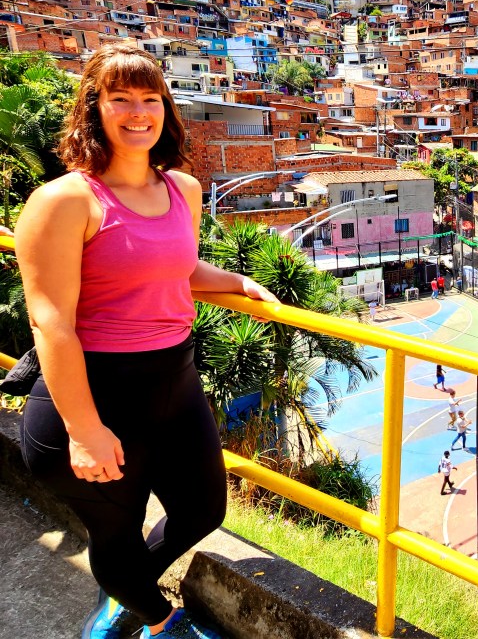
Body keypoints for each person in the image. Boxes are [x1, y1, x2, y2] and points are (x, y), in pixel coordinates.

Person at [15, 43, 280, 639]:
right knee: (117, 529)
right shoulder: (65, 201)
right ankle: (161, 619)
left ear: (165, 108)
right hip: (93, 391)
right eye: (120, 98)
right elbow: (50, 322)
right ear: (93, 109)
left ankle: (127, 590)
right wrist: (84, 430)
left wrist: (238, 282)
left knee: (202, 509)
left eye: (150, 98)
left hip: (173, 381)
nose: (138, 112)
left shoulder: (182, 188)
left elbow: (175, 268)